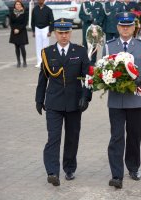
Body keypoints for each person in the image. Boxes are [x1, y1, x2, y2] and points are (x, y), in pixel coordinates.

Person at [35, 18, 92, 186]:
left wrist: (86, 96)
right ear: (54, 33)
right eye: (60, 33)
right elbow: (43, 79)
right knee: (54, 137)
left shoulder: (80, 51)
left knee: (72, 138)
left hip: (75, 102)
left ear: (71, 33)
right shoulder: (47, 52)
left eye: (66, 32)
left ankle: (69, 168)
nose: (64, 36)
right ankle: (52, 171)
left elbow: (87, 77)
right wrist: (39, 99)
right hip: (54, 102)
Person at [102, 12, 141, 189]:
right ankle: (116, 175)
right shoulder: (109, 46)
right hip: (116, 100)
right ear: (117, 27)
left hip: (136, 100)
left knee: (134, 136)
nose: (125, 28)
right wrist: (106, 79)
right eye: (122, 26)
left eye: (129, 26)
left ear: (134, 27)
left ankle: (133, 167)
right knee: (116, 137)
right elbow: (102, 70)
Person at [79, 0, 104, 65]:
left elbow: (102, 15)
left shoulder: (99, 4)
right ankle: (84, 61)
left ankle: (93, 61)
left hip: (95, 27)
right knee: (85, 44)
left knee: (95, 44)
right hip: (87, 27)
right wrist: (87, 19)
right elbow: (80, 15)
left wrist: (98, 22)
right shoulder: (84, 4)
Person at [31, 0, 54, 68]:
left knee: (45, 47)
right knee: (38, 46)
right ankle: (39, 62)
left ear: (44, 0)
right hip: (37, 29)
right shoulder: (35, 9)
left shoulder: (48, 9)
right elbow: (32, 21)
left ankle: (45, 62)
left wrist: (50, 31)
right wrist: (33, 31)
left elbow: (52, 21)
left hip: (45, 29)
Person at [9, 0, 28, 68]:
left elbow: (25, 23)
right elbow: (11, 23)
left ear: (21, 5)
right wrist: (14, 29)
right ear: (15, 5)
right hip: (14, 32)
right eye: (16, 4)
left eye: (19, 4)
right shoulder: (12, 12)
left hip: (22, 31)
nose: (18, 5)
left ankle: (24, 61)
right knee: (16, 47)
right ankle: (18, 61)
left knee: (22, 47)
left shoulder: (24, 13)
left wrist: (19, 29)